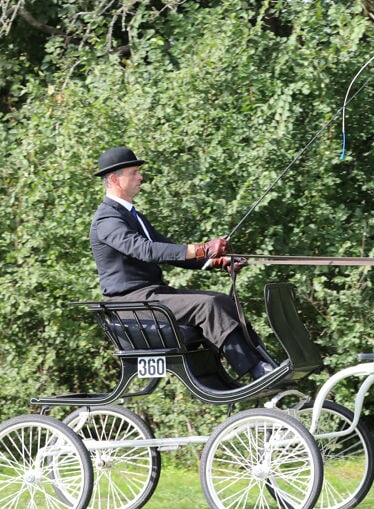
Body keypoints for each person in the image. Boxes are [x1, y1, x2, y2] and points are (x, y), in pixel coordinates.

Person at [89, 146, 277, 379]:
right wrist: (202, 249)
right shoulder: (108, 219)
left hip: (152, 296)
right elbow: (147, 251)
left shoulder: (132, 215)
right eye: (135, 172)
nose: (141, 177)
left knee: (223, 301)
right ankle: (255, 371)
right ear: (115, 178)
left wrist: (214, 261)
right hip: (130, 304)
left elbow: (169, 251)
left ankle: (264, 361)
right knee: (209, 305)